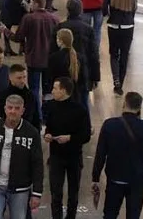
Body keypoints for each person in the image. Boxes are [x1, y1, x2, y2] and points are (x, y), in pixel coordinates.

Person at [0, 95, 44, 219]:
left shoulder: (31, 133)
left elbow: (37, 164)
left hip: (20, 188)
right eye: (10, 107)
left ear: (22, 111)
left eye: (17, 108)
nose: (13, 111)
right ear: (5, 109)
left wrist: (37, 193)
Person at [92, 92, 143, 219]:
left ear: (124, 104)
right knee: (133, 215)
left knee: (110, 214)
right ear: (139, 108)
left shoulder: (109, 124)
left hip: (115, 178)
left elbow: (101, 153)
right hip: (136, 180)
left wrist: (95, 177)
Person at [1, 0, 60, 115]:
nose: (30, 4)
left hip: (34, 59)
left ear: (36, 3)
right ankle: (47, 115)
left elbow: (18, 38)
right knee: (48, 91)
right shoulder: (54, 19)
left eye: (31, 2)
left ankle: (36, 115)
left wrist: (5, 30)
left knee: (34, 90)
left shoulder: (28, 18)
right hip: (50, 60)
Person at [43, 77, 91, 219]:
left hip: (74, 157)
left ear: (63, 91)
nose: (52, 91)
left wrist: (70, 138)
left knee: (73, 193)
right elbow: (49, 127)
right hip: (56, 156)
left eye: (55, 88)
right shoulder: (51, 107)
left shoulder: (80, 110)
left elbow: (86, 135)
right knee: (55, 193)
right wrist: (47, 135)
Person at [54, 0, 100, 108]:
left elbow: (53, 50)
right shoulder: (88, 29)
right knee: (83, 102)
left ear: (67, 10)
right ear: (81, 11)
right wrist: (95, 77)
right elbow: (94, 54)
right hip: (83, 70)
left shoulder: (60, 27)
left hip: (63, 69)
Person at [107, 0, 138, 95]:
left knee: (114, 54)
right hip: (128, 26)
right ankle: (121, 81)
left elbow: (107, 8)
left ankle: (116, 80)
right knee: (124, 55)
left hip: (113, 25)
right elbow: (134, 9)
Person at [48, 29, 89, 108]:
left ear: (61, 41)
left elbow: (50, 77)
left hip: (60, 96)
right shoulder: (80, 57)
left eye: (57, 38)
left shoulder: (54, 57)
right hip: (76, 96)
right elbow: (83, 79)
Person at [0, 64, 41, 129]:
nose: (22, 81)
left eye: (24, 77)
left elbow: (36, 120)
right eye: (19, 78)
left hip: (27, 132)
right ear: (10, 78)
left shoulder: (31, 96)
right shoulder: (0, 97)